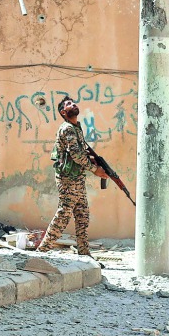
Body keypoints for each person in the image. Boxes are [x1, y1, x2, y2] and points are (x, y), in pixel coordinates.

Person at [35, 97, 108, 256]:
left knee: (82, 216)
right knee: (64, 214)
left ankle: (84, 253)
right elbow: (75, 155)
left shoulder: (76, 128)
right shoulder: (67, 128)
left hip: (77, 179)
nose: (73, 105)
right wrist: (94, 169)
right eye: (68, 104)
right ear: (63, 112)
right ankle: (42, 251)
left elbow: (79, 153)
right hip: (68, 179)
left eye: (73, 103)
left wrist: (92, 161)